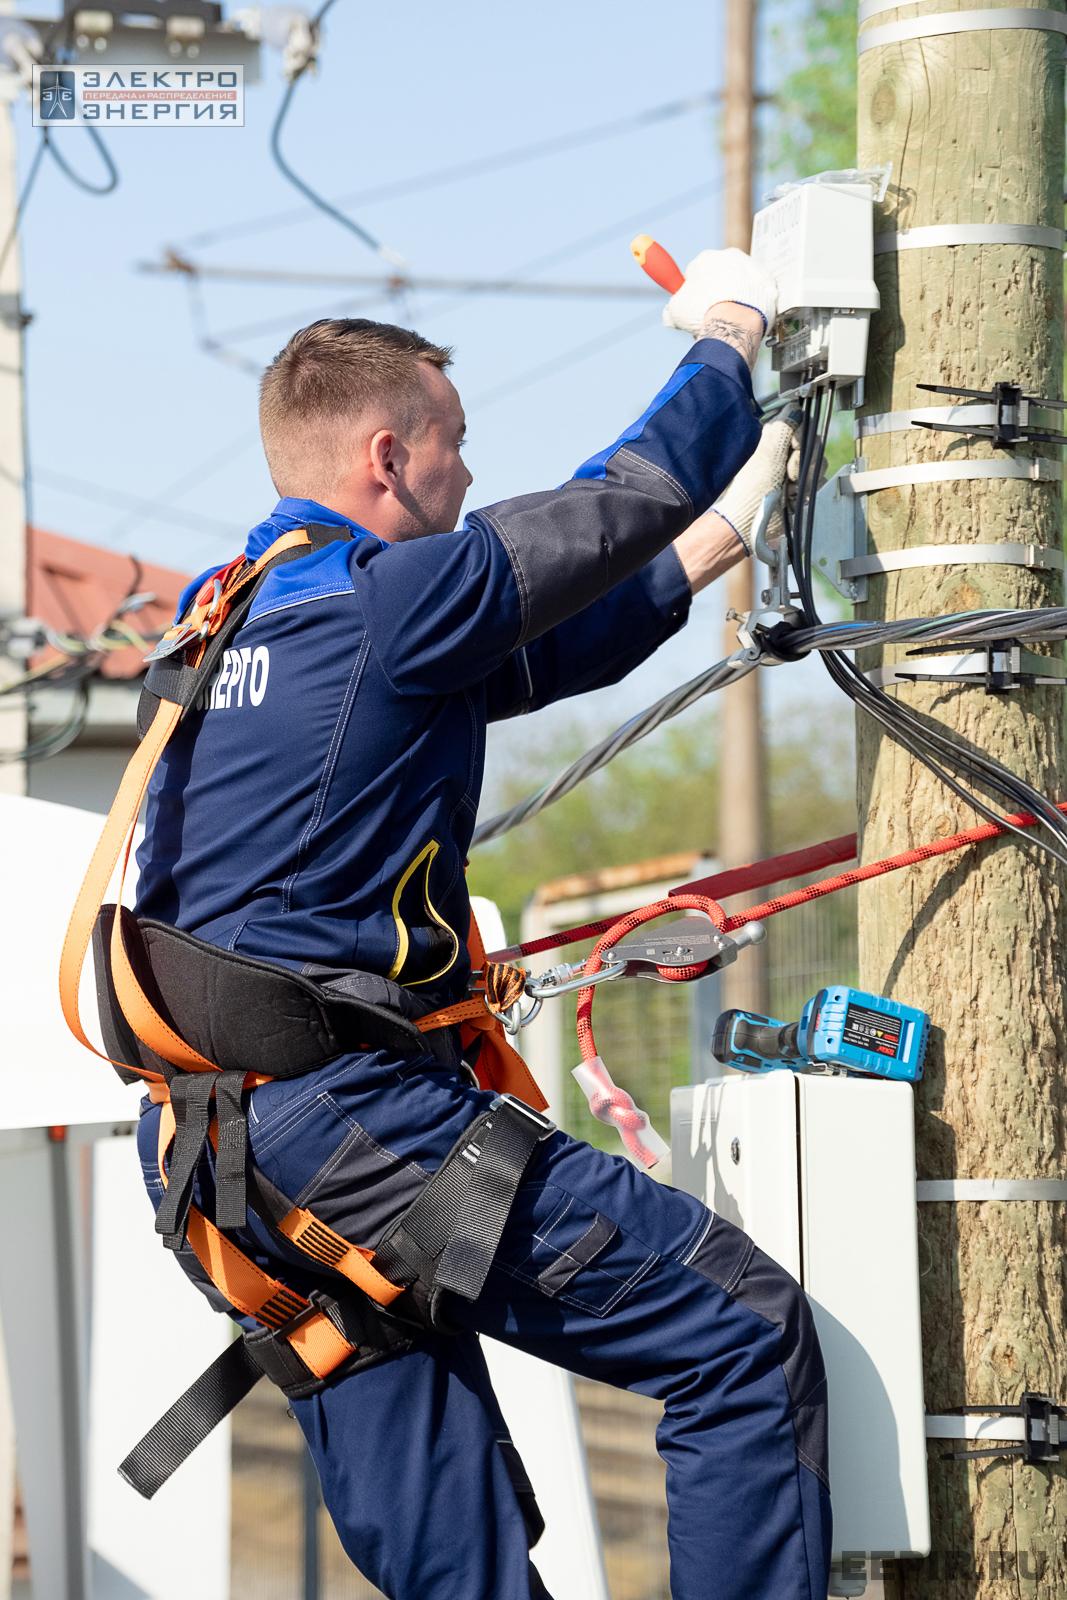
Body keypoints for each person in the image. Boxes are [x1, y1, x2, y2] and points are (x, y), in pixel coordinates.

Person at [133, 247, 831, 1600]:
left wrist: (732, 531)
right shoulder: (392, 597)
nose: (467, 476)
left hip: (223, 1160)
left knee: (458, 1567)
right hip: (354, 1131)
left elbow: (558, 634)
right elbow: (611, 506)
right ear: (388, 456)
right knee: (738, 1335)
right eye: (455, 447)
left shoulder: (236, 615)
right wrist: (731, 335)